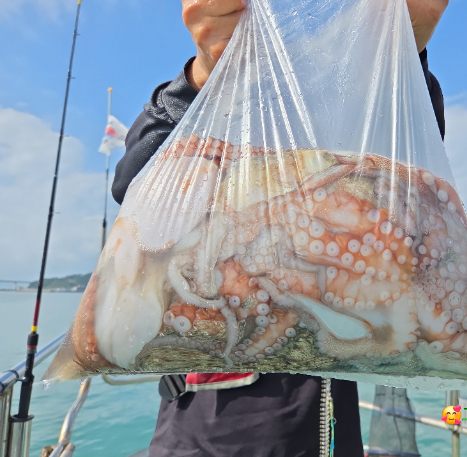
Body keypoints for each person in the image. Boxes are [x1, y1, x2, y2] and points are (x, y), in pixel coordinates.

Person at [112, 1, 449, 456]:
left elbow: (411, 176)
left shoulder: (348, 143)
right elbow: (132, 183)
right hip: (202, 426)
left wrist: (405, 56)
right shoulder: (217, 122)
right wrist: (201, 77)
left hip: (329, 427)